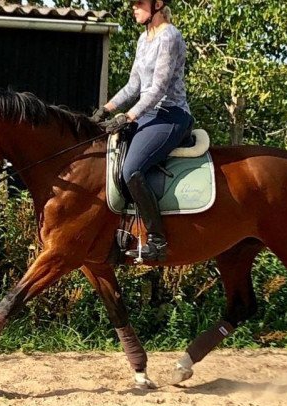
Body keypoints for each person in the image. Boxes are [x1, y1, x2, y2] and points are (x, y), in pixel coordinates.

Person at [91, 0, 193, 261]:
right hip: (147, 115)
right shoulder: (143, 39)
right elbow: (134, 85)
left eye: (138, 3)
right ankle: (120, 233)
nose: (133, 8)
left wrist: (127, 116)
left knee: (130, 169)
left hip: (171, 115)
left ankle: (158, 241)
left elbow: (158, 89)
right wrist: (106, 109)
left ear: (157, 4)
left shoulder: (170, 36)